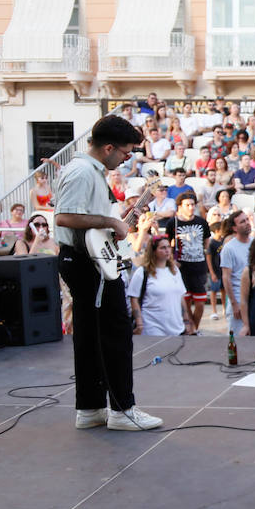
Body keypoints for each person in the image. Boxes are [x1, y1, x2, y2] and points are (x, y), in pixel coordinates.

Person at [54, 115, 163, 431]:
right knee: (115, 334)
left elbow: (90, 219)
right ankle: (122, 410)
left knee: (90, 336)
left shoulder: (88, 172)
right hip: (87, 263)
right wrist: (110, 223)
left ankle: (90, 409)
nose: (128, 158)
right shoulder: (82, 173)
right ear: (109, 147)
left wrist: (117, 222)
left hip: (86, 259)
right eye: (126, 152)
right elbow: (63, 217)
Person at [127, 234, 191, 336]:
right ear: (154, 251)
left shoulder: (174, 270)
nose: (167, 250)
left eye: (168, 247)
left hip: (175, 327)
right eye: (162, 248)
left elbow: (181, 297)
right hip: (152, 327)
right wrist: (139, 323)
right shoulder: (142, 272)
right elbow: (134, 299)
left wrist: (186, 320)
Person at [166, 194, 212, 332]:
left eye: (193, 204)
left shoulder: (201, 222)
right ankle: (190, 330)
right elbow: (167, 244)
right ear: (180, 206)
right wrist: (172, 260)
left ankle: (194, 328)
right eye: (187, 205)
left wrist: (202, 253)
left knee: (200, 303)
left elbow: (207, 241)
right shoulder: (172, 223)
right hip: (182, 267)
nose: (191, 207)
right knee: (185, 302)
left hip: (199, 266)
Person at [219, 211, 253, 335]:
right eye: (242, 222)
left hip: (254, 298)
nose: (247, 223)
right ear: (234, 228)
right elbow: (226, 277)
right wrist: (234, 303)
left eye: (247, 220)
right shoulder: (229, 248)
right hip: (238, 298)